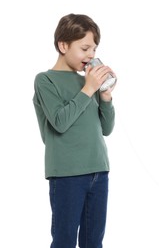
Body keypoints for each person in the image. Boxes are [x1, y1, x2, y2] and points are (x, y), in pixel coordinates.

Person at [33, 13, 116, 248]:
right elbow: (60, 122)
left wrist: (106, 98)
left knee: (93, 242)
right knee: (64, 241)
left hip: (99, 171)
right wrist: (89, 89)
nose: (91, 55)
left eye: (94, 49)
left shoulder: (88, 82)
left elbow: (106, 129)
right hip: (67, 174)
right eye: (85, 48)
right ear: (63, 45)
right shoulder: (45, 81)